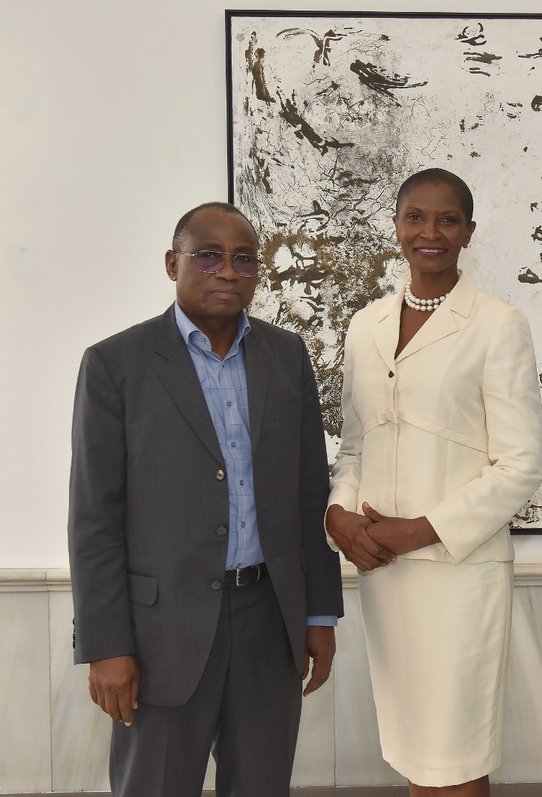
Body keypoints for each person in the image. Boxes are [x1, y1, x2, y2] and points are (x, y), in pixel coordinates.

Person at [67, 202, 344, 796]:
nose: (227, 271)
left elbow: (307, 494)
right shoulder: (116, 364)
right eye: (209, 256)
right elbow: (94, 519)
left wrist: (318, 615)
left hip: (270, 621)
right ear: (173, 264)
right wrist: (107, 645)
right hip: (160, 633)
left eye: (244, 259)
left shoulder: (287, 356)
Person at [325, 168, 542, 795]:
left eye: (447, 220)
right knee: (412, 750)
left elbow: (521, 463)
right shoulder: (365, 325)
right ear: (396, 226)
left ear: (468, 232)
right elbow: (354, 445)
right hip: (384, 574)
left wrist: (420, 529)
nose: (430, 231)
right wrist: (338, 517)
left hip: (458, 571)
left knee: (456, 752)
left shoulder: (497, 324)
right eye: (415, 217)